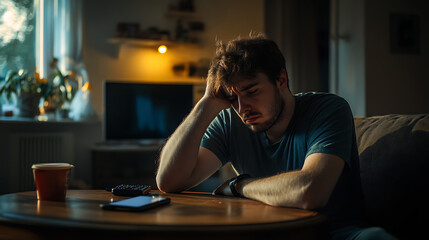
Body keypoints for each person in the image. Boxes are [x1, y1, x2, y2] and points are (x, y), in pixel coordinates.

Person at [156, 34, 396, 240]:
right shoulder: (231, 121)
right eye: (233, 98)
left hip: (335, 233)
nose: (242, 108)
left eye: (252, 92)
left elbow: (309, 191)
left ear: (281, 79)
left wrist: (240, 186)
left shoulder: (328, 109)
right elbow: (169, 181)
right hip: (267, 233)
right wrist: (206, 104)